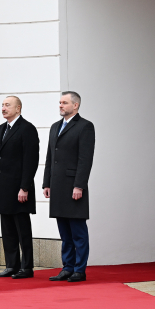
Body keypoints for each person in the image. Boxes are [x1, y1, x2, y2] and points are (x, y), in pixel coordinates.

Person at [43, 91, 95, 282]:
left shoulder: (85, 127)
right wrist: (46, 182)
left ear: (76, 105)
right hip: (57, 186)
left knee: (78, 231)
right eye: (59, 103)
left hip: (73, 186)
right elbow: (50, 157)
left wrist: (79, 185)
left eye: (64, 103)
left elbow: (85, 159)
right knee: (64, 232)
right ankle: (67, 267)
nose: (60, 106)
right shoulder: (55, 127)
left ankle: (79, 270)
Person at [0, 96, 39, 279]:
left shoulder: (27, 129)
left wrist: (24, 187)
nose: (3, 108)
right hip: (4, 187)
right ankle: (12, 265)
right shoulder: (0, 129)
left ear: (18, 108)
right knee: (7, 228)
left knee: (22, 228)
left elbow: (31, 159)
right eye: (2, 105)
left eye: (7, 105)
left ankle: (26, 267)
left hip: (19, 188)